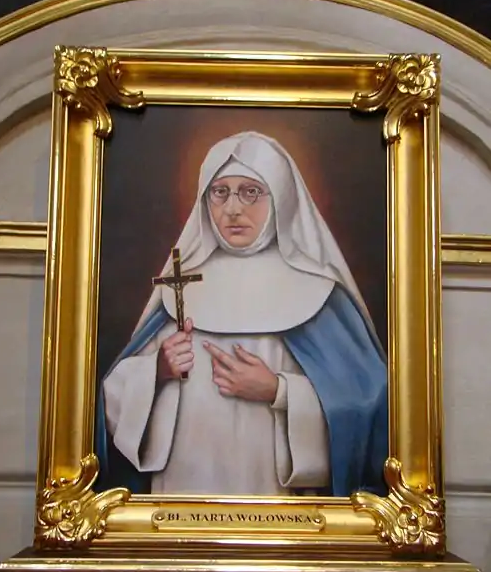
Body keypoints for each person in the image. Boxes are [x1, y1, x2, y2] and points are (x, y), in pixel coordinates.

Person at [96, 131, 388, 498]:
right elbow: (112, 398)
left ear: (280, 197)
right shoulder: (180, 284)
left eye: (250, 192)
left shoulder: (318, 292)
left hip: (274, 499)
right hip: (182, 491)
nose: (233, 209)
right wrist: (156, 370)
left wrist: (279, 391)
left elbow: (370, 404)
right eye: (220, 192)